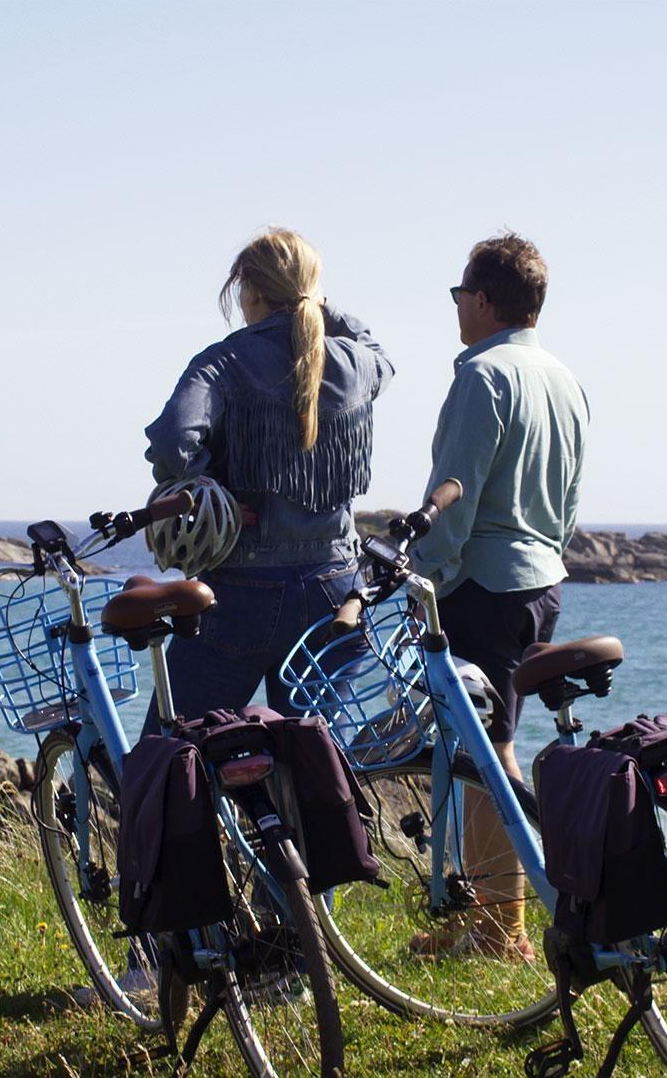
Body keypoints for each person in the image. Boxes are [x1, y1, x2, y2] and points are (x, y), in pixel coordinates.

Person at [409, 232, 588, 959]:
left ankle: (499, 929)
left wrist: (425, 577)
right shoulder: (564, 379)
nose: (456, 307)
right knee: (493, 744)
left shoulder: (483, 376)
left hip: (482, 584)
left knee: (487, 756)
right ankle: (488, 916)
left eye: (460, 294)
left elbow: (455, 495)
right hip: (542, 579)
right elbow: (569, 500)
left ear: (483, 301)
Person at [144, 227, 394, 728]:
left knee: (176, 748)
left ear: (252, 290)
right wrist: (319, 306)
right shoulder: (354, 363)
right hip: (334, 585)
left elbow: (172, 441)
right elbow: (380, 354)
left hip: (241, 588)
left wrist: (210, 492)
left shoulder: (223, 362)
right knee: (316, 757)